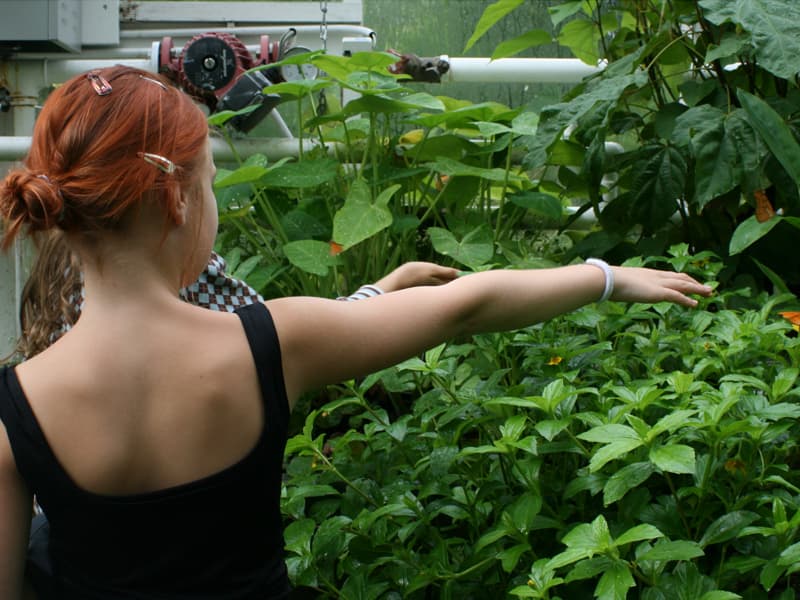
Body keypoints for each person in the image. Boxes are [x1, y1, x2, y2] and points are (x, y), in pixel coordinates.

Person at [0, 65, 712, 600]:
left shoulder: (15, 415)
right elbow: (467, 303)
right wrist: (607, 275)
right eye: (211, 181)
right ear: (175, 201)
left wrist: (372, 295)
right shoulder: (266, 346)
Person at [12, 229, 458, 361]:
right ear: (176, 200)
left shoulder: (61, 254)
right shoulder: (183, 260)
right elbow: (279, 336)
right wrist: (389, 288)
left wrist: (388, 284)